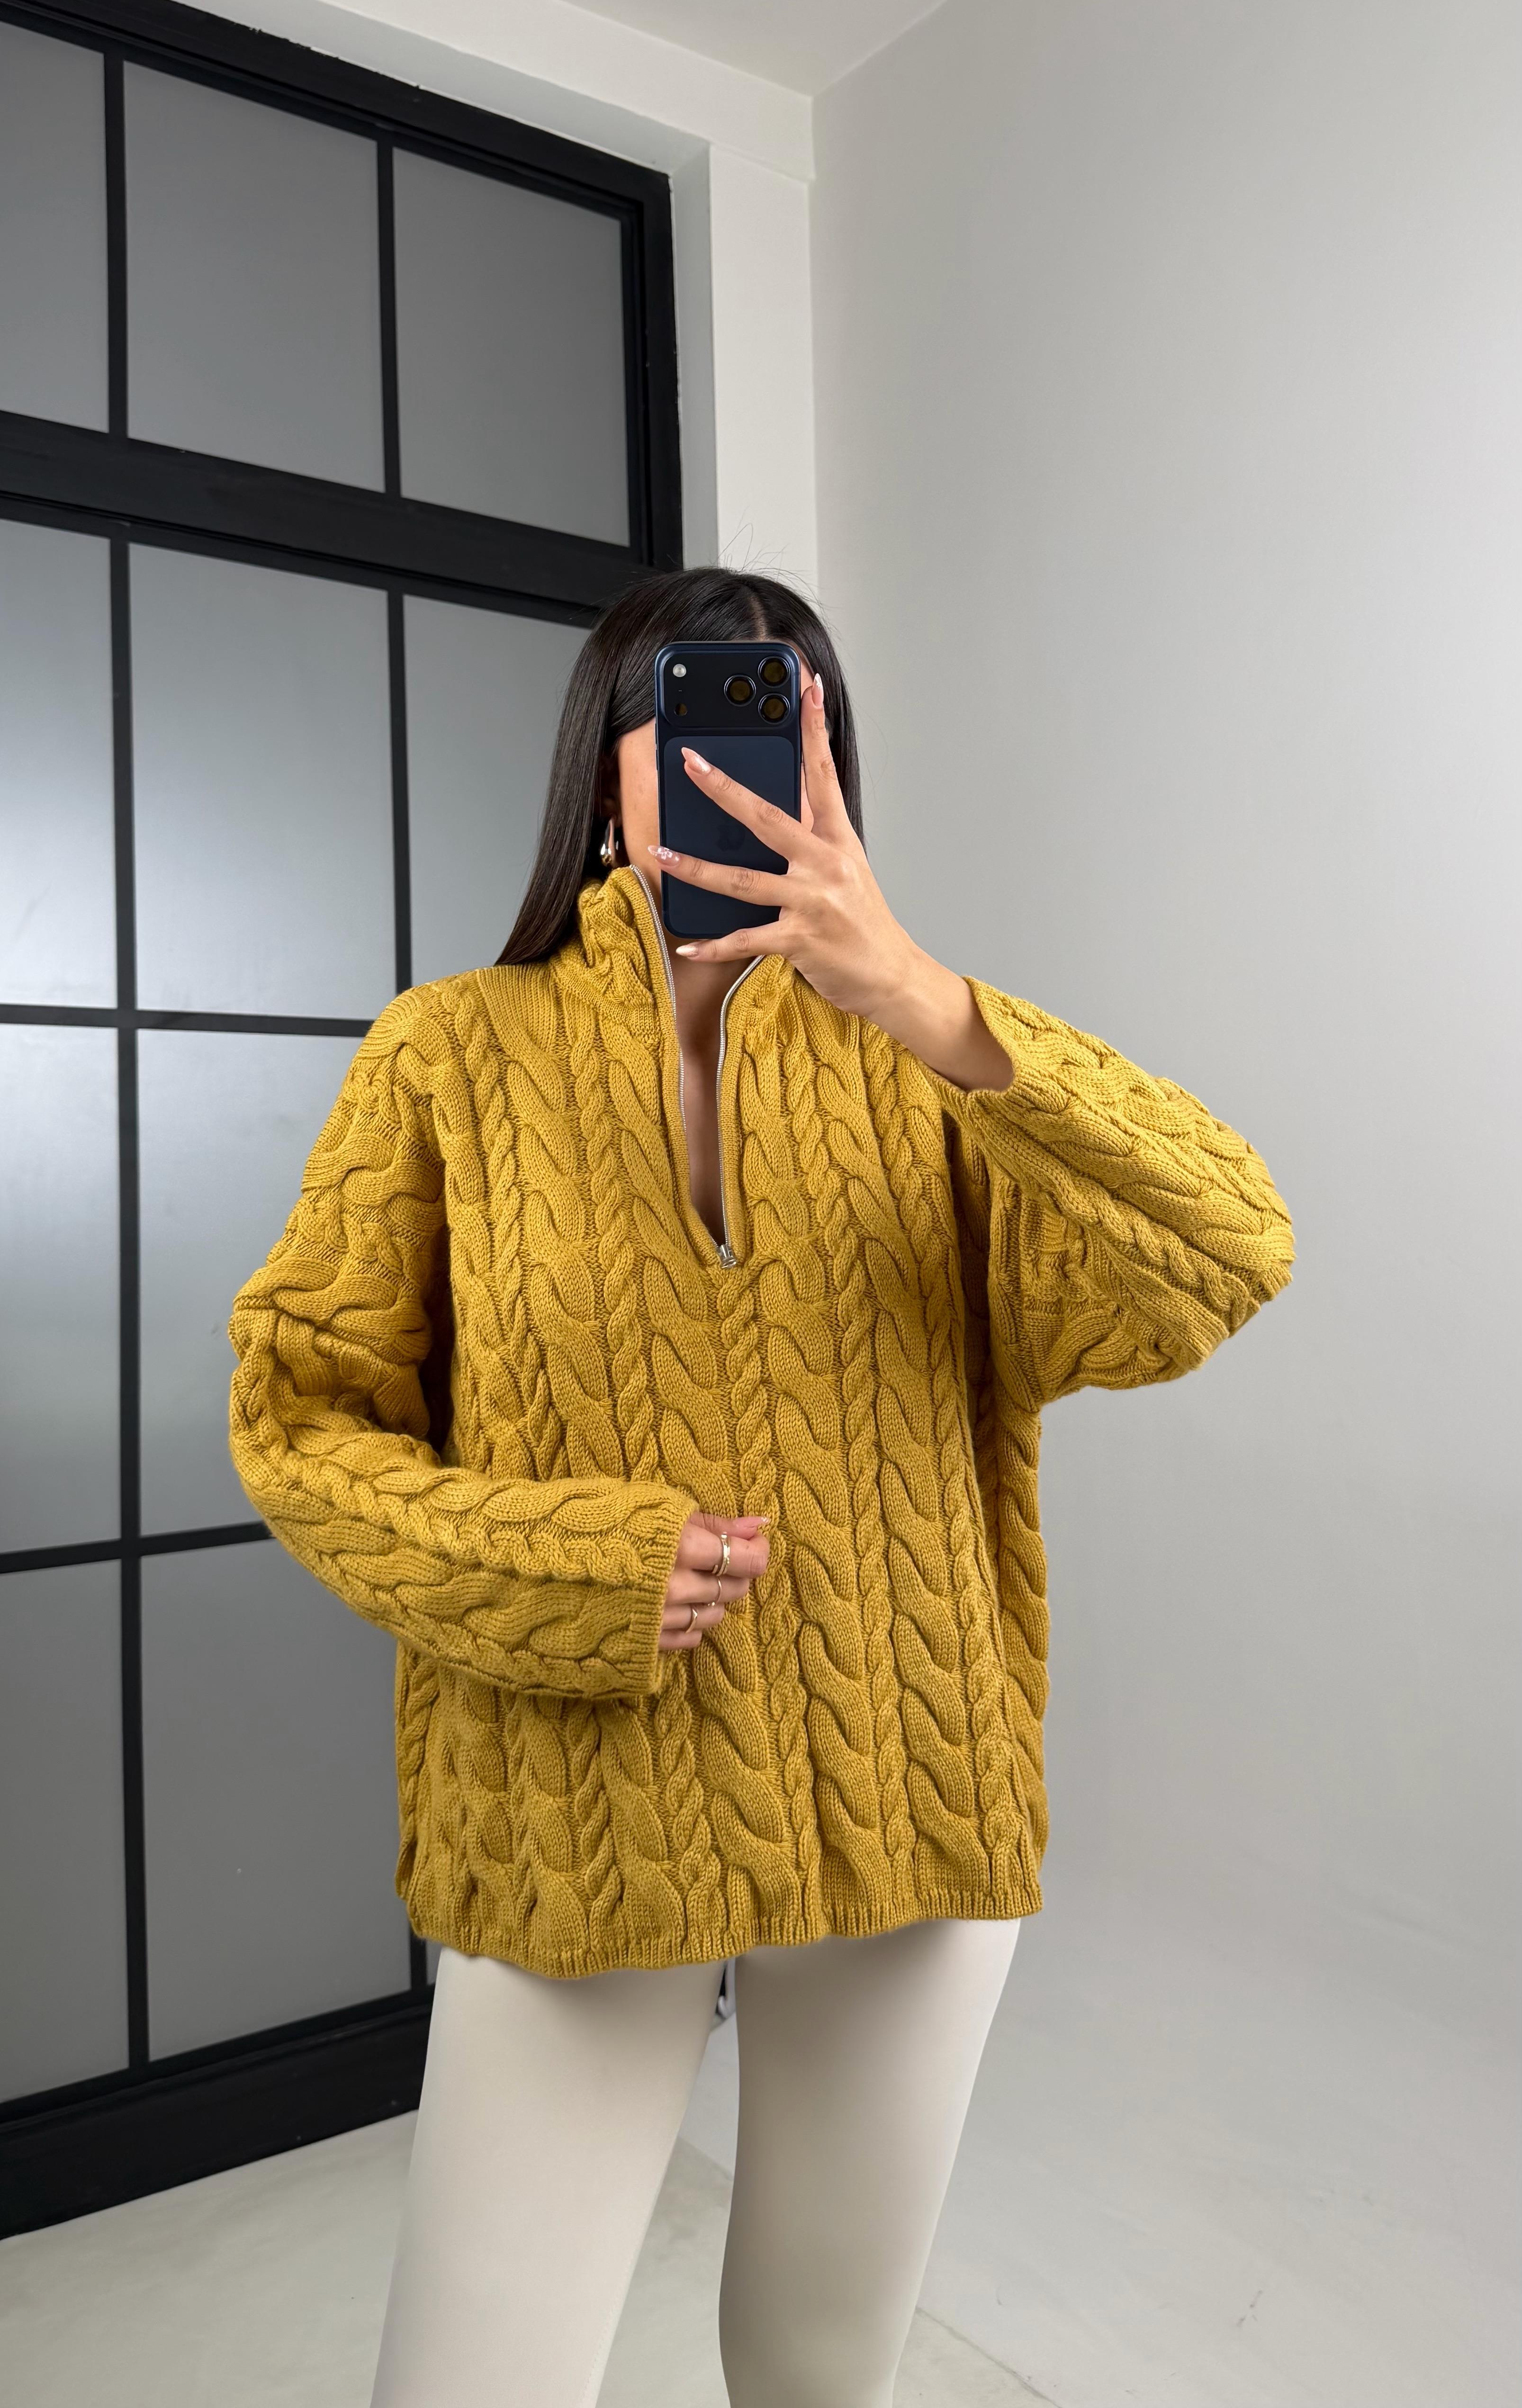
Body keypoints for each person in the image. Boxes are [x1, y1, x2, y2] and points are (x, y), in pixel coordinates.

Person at [227, 567, 1293, 2407]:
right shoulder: (448, 1056)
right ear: (607, 765)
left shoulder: (938, 1063)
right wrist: (567, 1571)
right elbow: (298, 1420)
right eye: (697, 713)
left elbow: (1230, 1248)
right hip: (575, 1807)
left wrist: (929, 1002)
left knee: (817, 2372)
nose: (744, 761)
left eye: (788, 722)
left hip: (909, 1791)